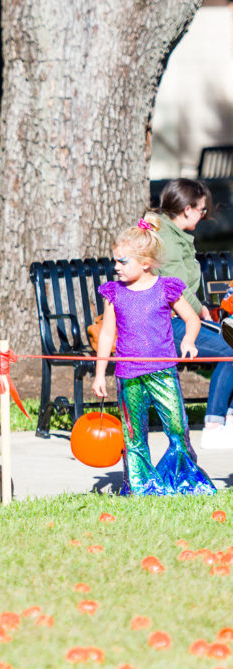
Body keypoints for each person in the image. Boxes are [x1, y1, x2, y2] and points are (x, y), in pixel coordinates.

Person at [91, 221, 215, 496]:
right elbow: (107, 333)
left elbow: (192, 319)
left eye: (123, 262)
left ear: (146, 263)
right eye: (115, 262)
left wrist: (188, 340)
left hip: (162, 372)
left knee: (177, 427)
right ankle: (141, 486)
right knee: (133, 434)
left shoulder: (165, 288)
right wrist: (100, 374)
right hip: (128, 374)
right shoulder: (114, 293)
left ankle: (182, 480)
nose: (116, 267)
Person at [147, 178, 233, 449]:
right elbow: (176, 288)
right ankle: (215, 423)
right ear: (186, 209)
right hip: (168, 326)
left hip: (183, 319)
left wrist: (200, 309)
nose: (203, 214)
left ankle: (227, 418)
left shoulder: (175, 235)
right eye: (201, 209)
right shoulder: (169, 241)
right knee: (231, 351)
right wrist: (199, 310)